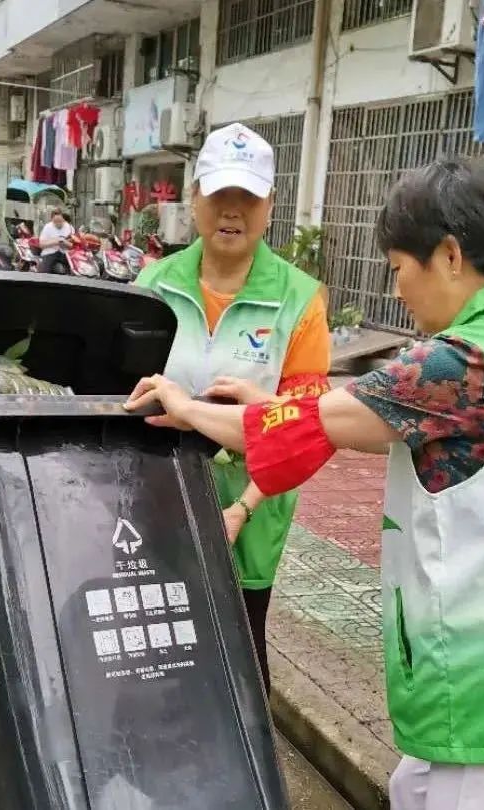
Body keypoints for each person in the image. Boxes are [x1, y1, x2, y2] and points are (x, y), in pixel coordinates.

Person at [126, 160, 484, 810]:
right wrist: (272, 402)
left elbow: (320, 422)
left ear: (450, 254)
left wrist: (187, 409)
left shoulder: (460, 362)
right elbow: (366, 408)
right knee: (413, 788)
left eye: (399, 265)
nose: (398, 287)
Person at [133, 122, 331, 693]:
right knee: (162, 645)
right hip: (162, 498)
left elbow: (305, 428)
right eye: (220, 194)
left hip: (254, 502)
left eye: (248, 196)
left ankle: (247, 776)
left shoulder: (300, 300)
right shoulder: (154, 285)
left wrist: (242, 508)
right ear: (193, 197)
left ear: (270, 206)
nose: (232, 210)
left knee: (243, 653)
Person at [37, 207, 74, 274]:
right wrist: (55, 242)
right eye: (55, 222)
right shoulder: (47, 227)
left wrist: (64, 242)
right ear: (52, 220)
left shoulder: (69, 228)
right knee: (44, 271)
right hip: (50, 253)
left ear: (63, 219)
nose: (58, 224)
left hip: (65, 254)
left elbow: (73, 246)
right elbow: (41, 244)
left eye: (60, 221)